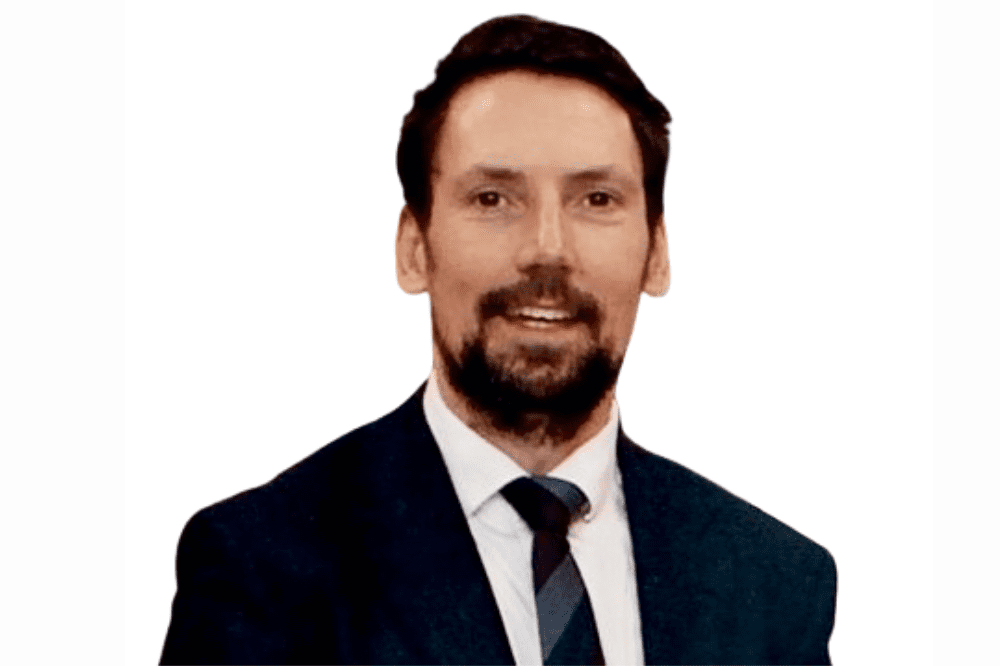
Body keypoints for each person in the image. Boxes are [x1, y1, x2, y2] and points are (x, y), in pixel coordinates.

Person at [160, 14, 836, 665]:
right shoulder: (265, 568)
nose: (548, 249)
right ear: (414, 249)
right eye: (493, 198)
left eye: (596, 199)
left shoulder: (772, 584)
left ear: (656, 253)